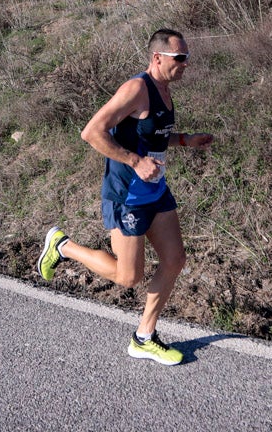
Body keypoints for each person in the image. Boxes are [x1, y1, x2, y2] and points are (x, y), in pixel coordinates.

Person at [38, 28, 214, 365]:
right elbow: (91, 132)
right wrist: (134, 161)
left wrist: (184, 140)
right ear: (157, 58)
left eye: (187, 58)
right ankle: (63, 246)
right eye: (180, 58)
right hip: (127, 196)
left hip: (156, 192)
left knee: (175, 260)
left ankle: (144, 337)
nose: (185, 64)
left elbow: (152, 136)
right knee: (128, 277)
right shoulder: (137, 89)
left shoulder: (164, 91)